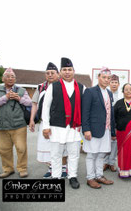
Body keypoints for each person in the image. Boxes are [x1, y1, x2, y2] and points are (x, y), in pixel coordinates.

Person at [42, 57, 84, 189]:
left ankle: (72, 176)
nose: (67, 72)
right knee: (56, 154)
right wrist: (46, 126)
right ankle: (56, 176)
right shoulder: (53, 87)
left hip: (74, 127)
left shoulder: (82, 87)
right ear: (60, 72)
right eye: (64, 70)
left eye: (69, 69)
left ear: (74, 71)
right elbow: (46, 107)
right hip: (56, 126)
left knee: (73, 154)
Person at [29, 62, 68, 178]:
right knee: (48, 146)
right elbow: (35, 104)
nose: (50, 75)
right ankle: (52, 168)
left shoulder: (64, 86)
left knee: (62, 145)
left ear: (58, 74)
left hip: (60, 123)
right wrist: (32, 120)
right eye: (47, 73)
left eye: (52, 73)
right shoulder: (40, 87)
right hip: (45, 122)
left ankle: (63, 168)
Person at [0, 68, 32, 178]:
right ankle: (8, 169)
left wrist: (19, 98)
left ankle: (22, 168)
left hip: (18, 125)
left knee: (21, 148)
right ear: (3, 79)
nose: (10, 79)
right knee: (4, 150)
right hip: (2, 125)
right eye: (7, 77)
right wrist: (5, 98)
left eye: (12, 77)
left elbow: (29, 102)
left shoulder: (21, 90)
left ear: (15, 79)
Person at [82, 67, 115, 189]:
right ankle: (90, 178)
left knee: (101, 154)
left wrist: (112, 131)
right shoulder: (90, 92)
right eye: (104, 77)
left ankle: (99, 175)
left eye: (108, 78)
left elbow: (110, 113)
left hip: (105, 129)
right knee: (91, 155)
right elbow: (85, 112)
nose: (106, 80)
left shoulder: (109, 93)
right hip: (93, 129)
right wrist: (86, 129)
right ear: (98, 77)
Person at [103, 74, 121, 172]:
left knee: (114, 144)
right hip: (106, 123)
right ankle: (105, 162)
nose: (114, 84)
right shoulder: (106, 93)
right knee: (106, 142)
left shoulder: (121, 95)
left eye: (115, 82)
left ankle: (111, 162)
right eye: (112, 82)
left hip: (117, 123)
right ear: (109, 83)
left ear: (118, 84)